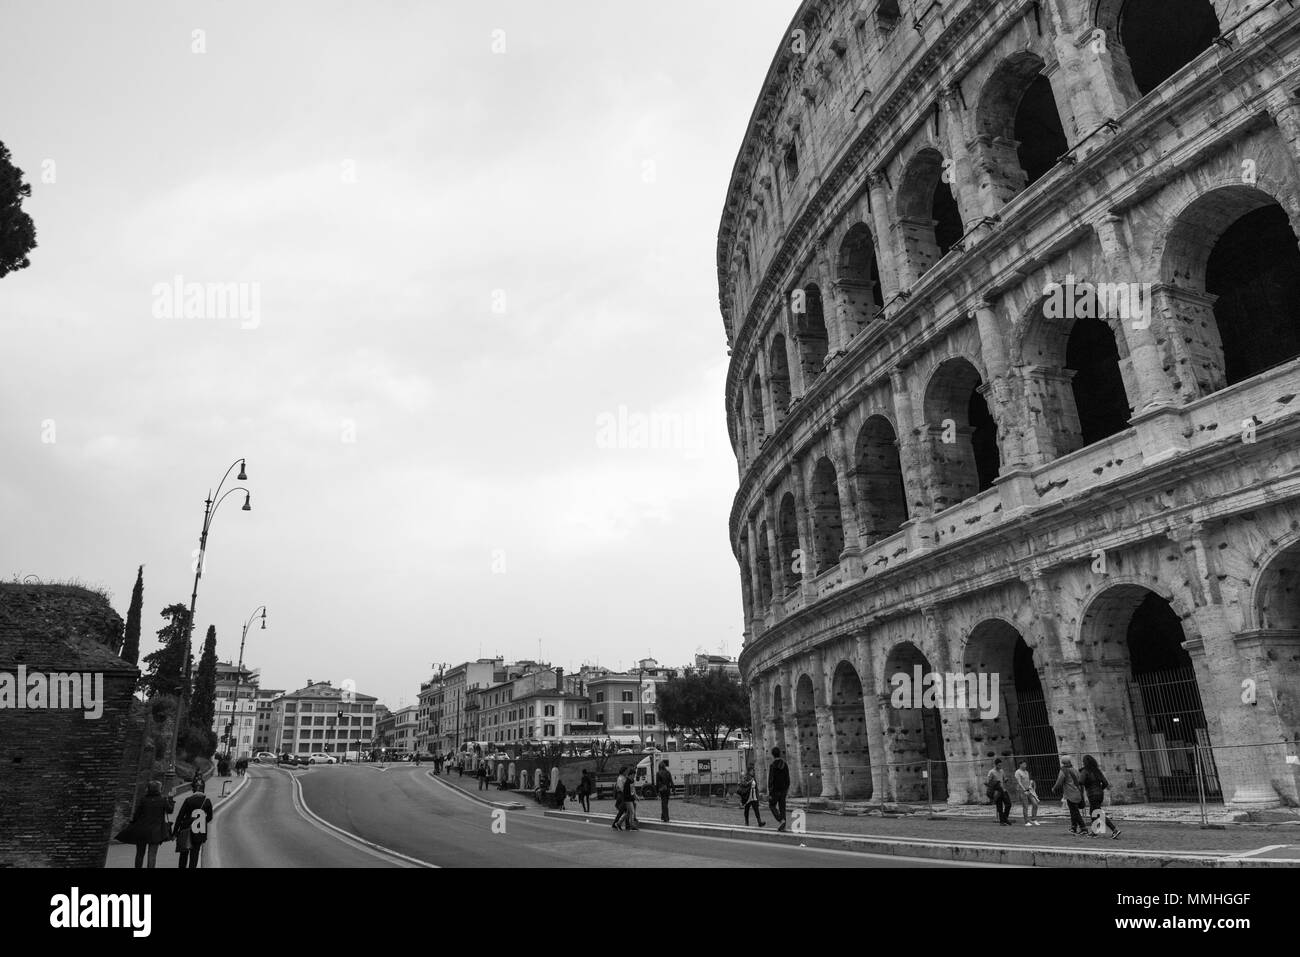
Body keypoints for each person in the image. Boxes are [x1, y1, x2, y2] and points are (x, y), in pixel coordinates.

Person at [118, 781, 171, 869]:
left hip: (142, 830)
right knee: (152, 855)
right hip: (156, 832)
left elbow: (136, 815)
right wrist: (171, 799)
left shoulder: (143, 800)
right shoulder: (163, 800)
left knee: (139, 854)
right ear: (159, 789)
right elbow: (170, 810)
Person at [174, 780, 214, 869]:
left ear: (193, 789)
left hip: (186, 829)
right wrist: (202, 821)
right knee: (194, 854)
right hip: (200, 831)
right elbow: (210, 817)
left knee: (184, 853)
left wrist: (175, 832)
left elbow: (180, 816)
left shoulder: (188, 800)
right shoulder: (207, 801)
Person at [1080, 754, 1121, 839]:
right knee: (1093, 812)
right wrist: (1100, 789)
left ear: (1085, 763)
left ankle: (1114, 830)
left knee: (1098, 813)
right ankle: (1094, 832)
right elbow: (1105, 783)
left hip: (1092, 794)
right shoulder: (1097, 771)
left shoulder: (1085, 771)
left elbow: (1081, 781)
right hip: (1100, 794)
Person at [1052, 757, 1087, 835]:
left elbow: (1059, 781)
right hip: (1078, 792)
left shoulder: (1063, 770)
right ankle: (1073, 827)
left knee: (1075, 812)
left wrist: (1054, 788)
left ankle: (1083, 828)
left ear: (1063, 763)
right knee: (1073, 811)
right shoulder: (1075, 770)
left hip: (1070, 793)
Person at [767, 747, 790, 831]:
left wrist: (770, 791)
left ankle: (781, 820)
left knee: (771, 805)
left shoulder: (772, 765)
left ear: (773, 755)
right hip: (783, 790)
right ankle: (783, 826)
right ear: (780, 753)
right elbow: (787, 778)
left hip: (775, 790)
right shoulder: (785, 764)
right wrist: (786, 788)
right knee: (782, 807)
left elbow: (771, 780)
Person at [986, 758, 1012, 825]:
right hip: (997, 791)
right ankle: (1002, 822)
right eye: (999, 765)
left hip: (1003, 790)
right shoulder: (991, 772)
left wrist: (1006, 779)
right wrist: (994, 783)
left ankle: (1005, 818)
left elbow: (1004, 778)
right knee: (999, 807)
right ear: (995, 765)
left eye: (1001, 765)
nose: (1000, 767)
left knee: (1009, 804)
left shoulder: (1002, 771)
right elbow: (987, 782)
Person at [1014, 760, 1040, 826]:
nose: (1025, 765)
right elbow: (1019, 782)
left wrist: (1030, 786)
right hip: (1022, 791)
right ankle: (1026, 821)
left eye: (1025, 764)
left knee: (1035, 803)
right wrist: (1024, 790)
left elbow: (1028, 781)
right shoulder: (1017, 772)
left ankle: (1033, 819)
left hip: (1029, 790)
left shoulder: (1026, 772)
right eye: (1024, 764)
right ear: (1020, 765)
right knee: (1025, 806)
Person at [622, 765, 640, 830]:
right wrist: (635, 797)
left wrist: (635, 796)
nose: (634, 777)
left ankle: (618, 823)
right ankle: (632, 825)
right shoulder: (628, 781)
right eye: (634, 775)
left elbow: (633, 790)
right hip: (627, 799)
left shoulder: (631, 781)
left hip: (629, 798)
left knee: (628, 813)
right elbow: (632, 791)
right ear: (631, 775)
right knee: (632, 811)